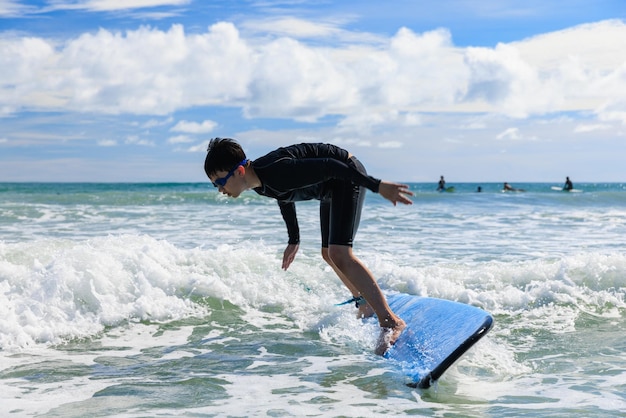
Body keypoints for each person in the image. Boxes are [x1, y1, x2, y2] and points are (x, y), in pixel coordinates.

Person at [204, 138, 413, 355]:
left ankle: (390, 322)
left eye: (220, 182)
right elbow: (283, 196)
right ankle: (364, 302)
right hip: (330, 188)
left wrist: (376, 185)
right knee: (328, 254)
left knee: (340, 253)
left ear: (238, 171)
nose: (220, 190)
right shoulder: (260, 183)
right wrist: (294, 239)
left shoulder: (275, 170)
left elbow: (330, 166)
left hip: (345, 173)